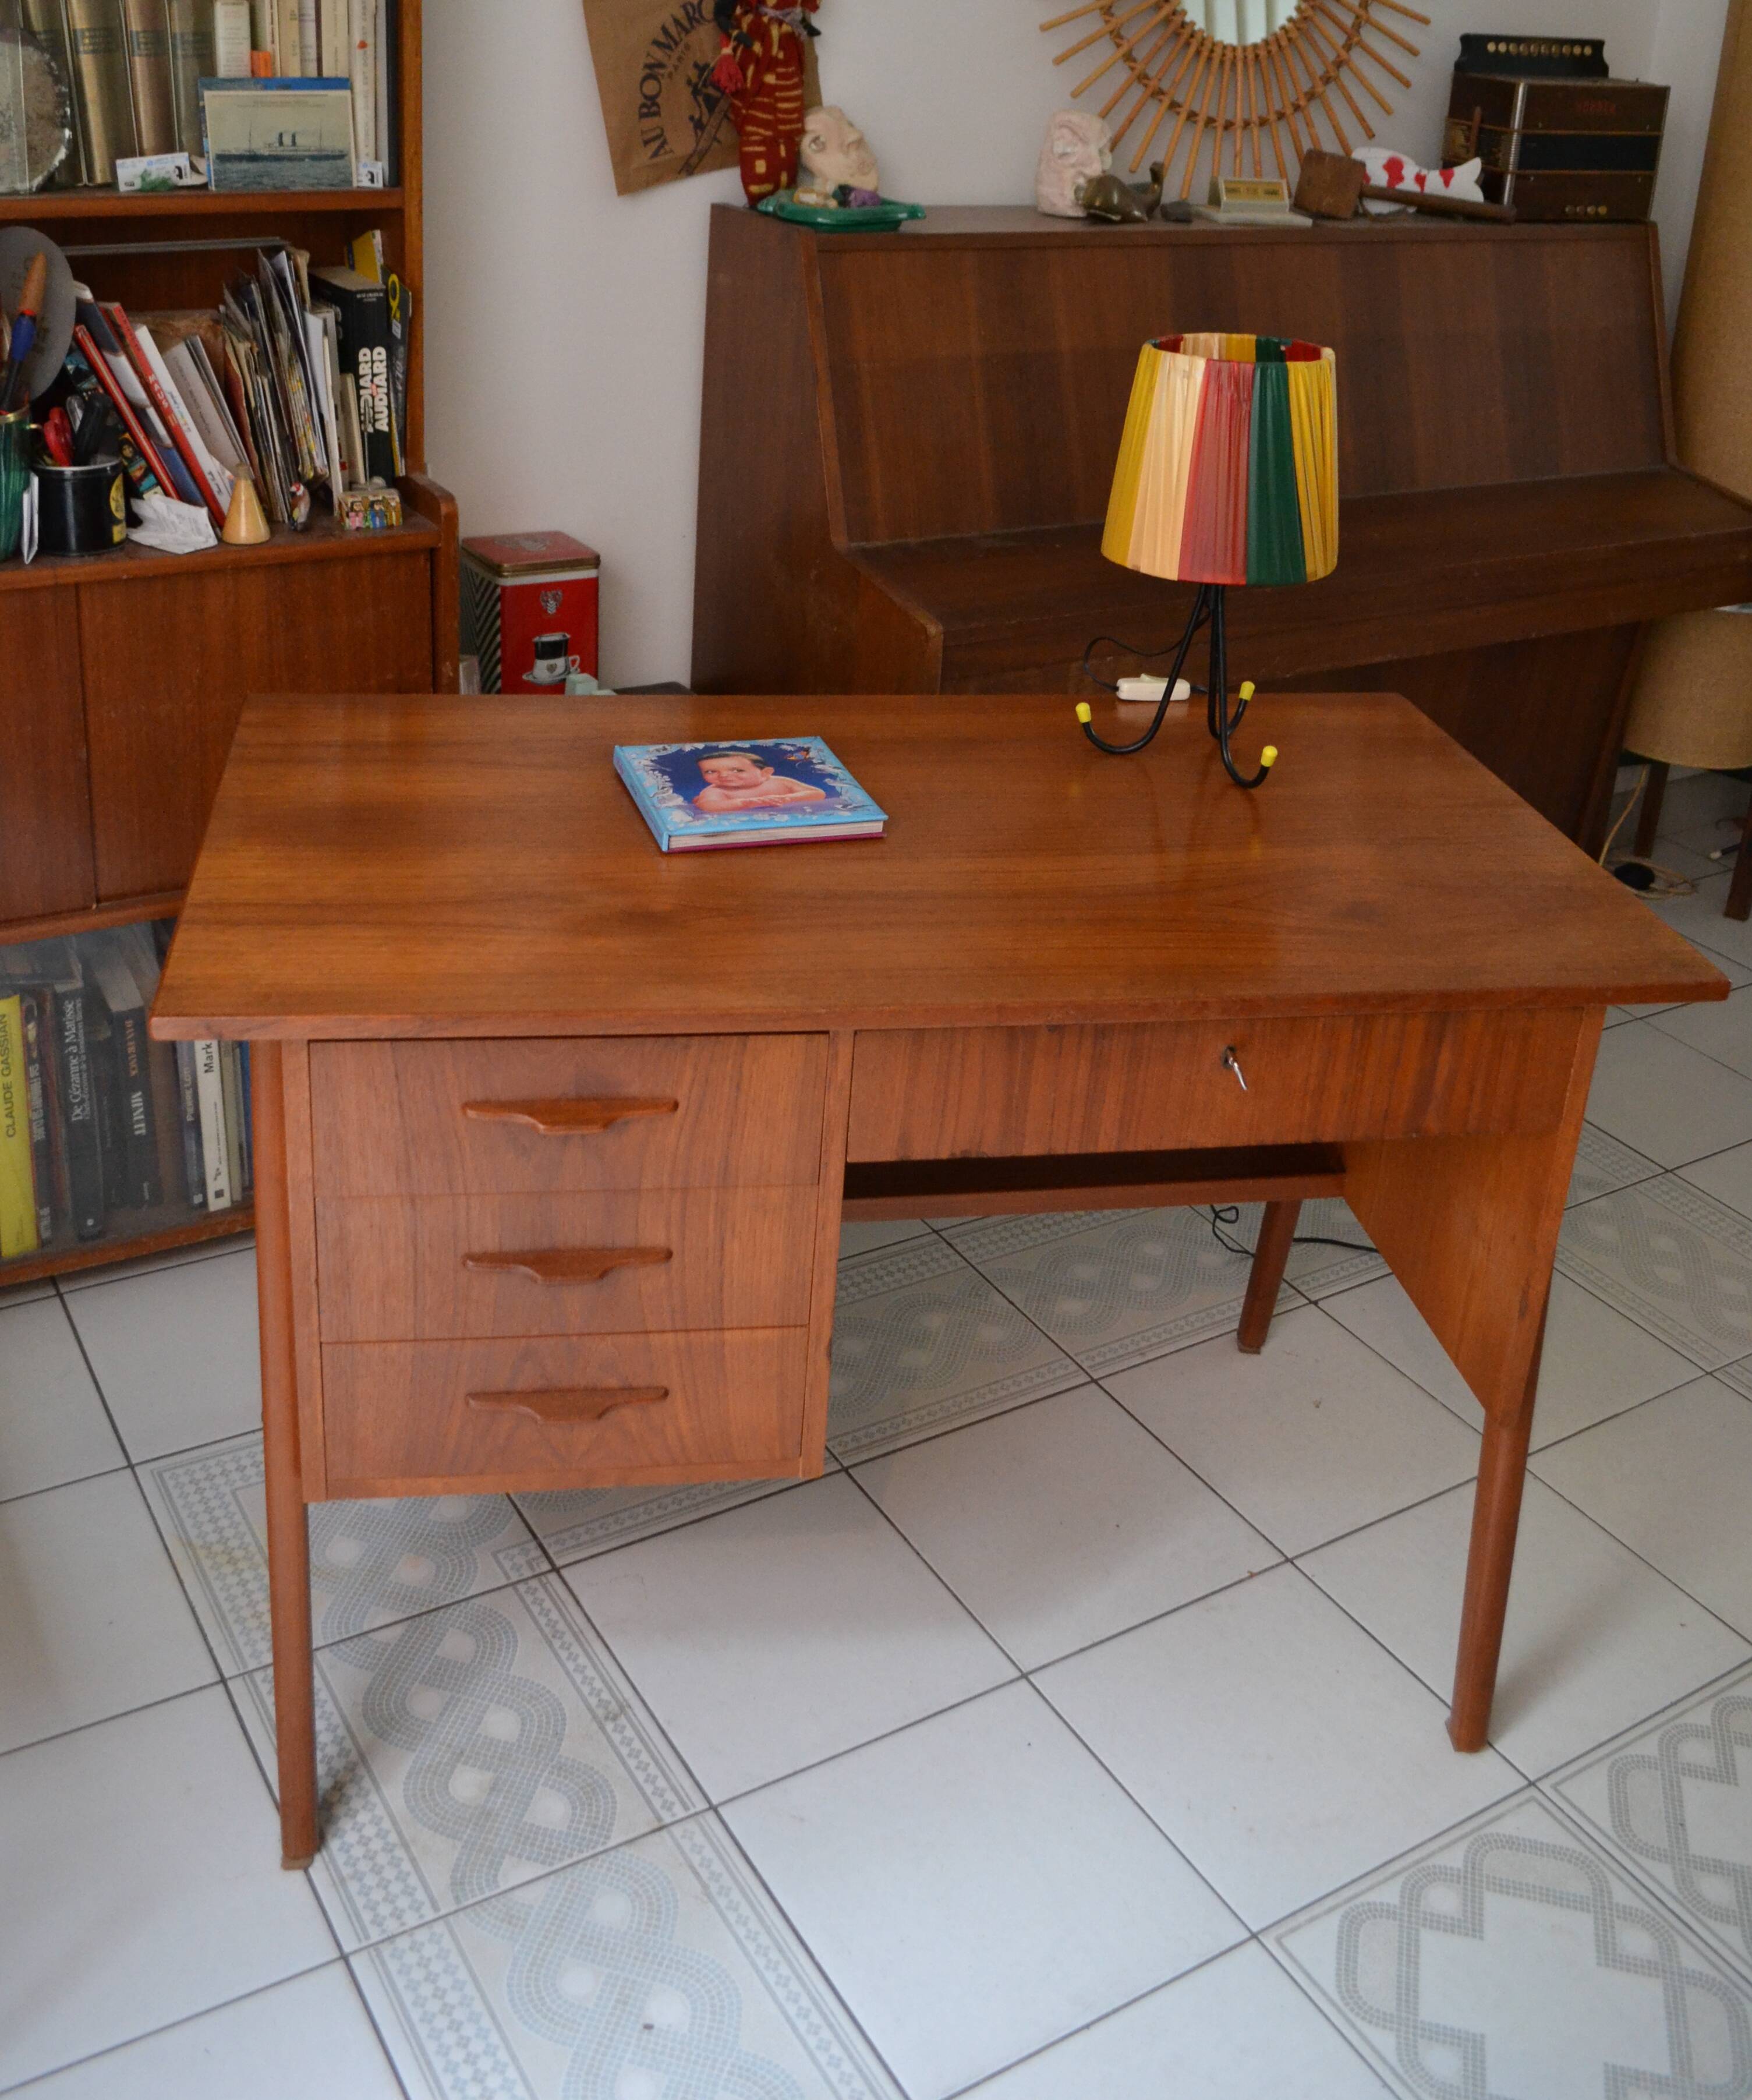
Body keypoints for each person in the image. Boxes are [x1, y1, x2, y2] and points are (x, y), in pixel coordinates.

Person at [710, 0, 819, 205]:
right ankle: (761, 191)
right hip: (760, 44)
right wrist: (736, 34)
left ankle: (785, 191)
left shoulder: (789, 29)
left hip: (786, 46)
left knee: (788, 125)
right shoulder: (754, 22)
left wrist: (802, 24)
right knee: (757, 110)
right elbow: (723, 13)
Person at [692, 748, 827, 811]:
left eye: (737, 770)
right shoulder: (715, 791)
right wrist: (745, 803)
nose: (723, 776)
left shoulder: (780, 782)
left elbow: (818, 793)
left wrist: (788, 799)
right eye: (711, 772)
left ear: (765, 773)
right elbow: (709, 806)